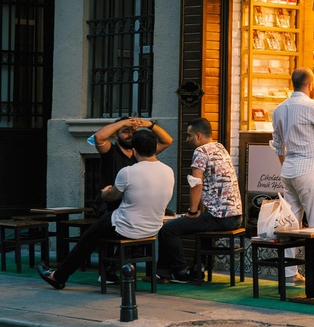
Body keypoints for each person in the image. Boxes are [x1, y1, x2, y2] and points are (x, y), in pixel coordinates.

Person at [37, 128, 175, 289]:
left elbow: (112, 196)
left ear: (135, 150)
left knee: (87, 240)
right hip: (152, 228)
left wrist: (104, 192)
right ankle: (109, 271)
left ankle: (58, 276)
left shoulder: (128, 172)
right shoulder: (168, 171)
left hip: (124, 225)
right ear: (154, 148)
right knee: (101, 230)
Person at [269, 67, 314, 288]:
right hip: (310, 170)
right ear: (310, 85)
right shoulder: (311, 105)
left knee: (291, 224)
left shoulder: (279, 109)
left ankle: (290, 273)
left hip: (289, 171)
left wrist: (287, 166)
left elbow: (277, 143)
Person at [155, 117, 244, 284]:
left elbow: (196, 183)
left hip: (219, 217)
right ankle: (195, 270)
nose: (187, 139)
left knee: (168, 230)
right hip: (235, 216)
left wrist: (193, 210)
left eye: (188, 136)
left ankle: (179, 272)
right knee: (200, 225)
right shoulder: (220, 147)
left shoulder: (201, 151)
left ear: (198, 136)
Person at [87, 116, 173, 216]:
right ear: (115, 135)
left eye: (133, 131)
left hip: (136, 204)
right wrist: (123, 123)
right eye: (126, 131)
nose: (130, 135)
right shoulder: (110, 150)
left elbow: (168, 141)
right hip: (110, 203)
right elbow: (98, 137)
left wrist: (150, 124)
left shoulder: (141, 152)